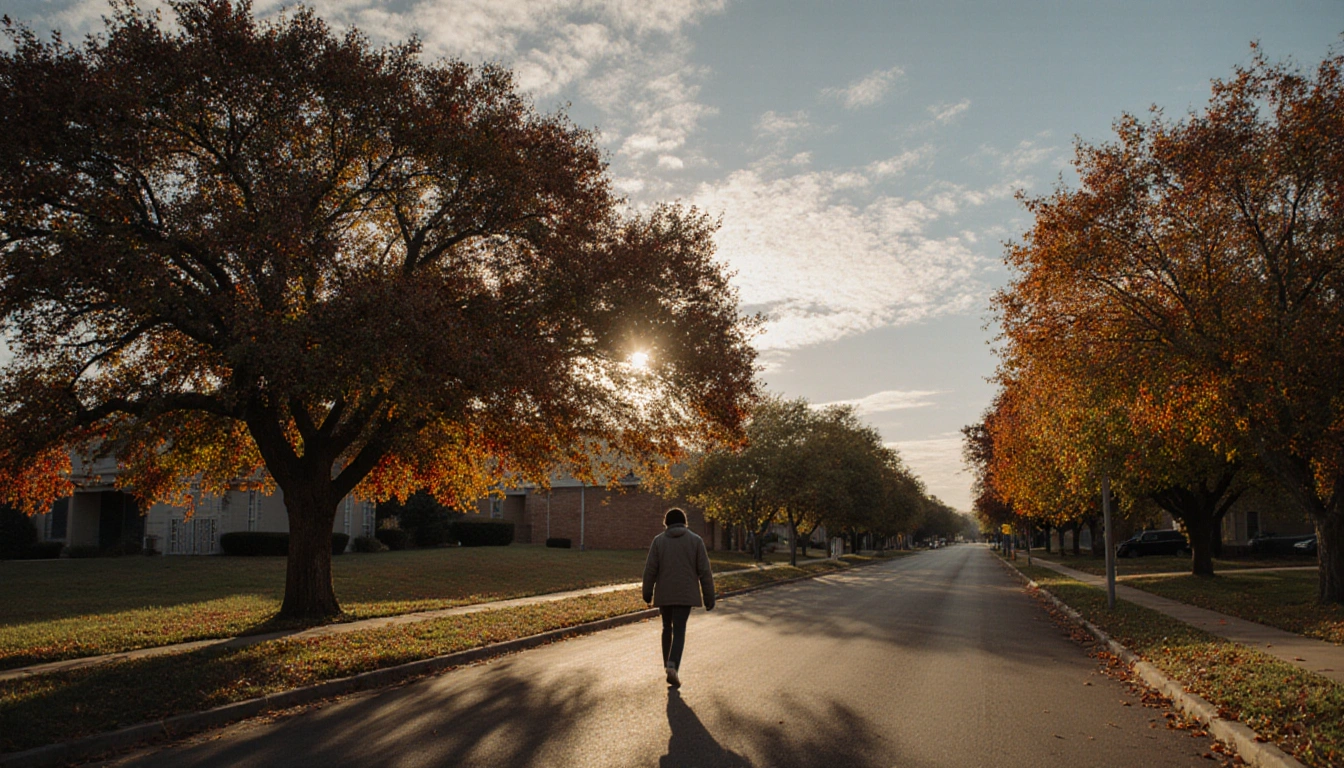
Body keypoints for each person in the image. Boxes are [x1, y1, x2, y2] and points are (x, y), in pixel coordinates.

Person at [642, 507, 715, 687]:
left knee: (667, 627)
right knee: (679, 629)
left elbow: (650, 569)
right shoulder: (696, 541)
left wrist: (647, 591)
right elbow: (704, 571)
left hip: (664, 593)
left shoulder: (658, 541)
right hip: (685, 594)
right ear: (685, 522)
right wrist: (709, 597)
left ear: (666, 522)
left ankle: (668, 664)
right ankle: (673, 666)